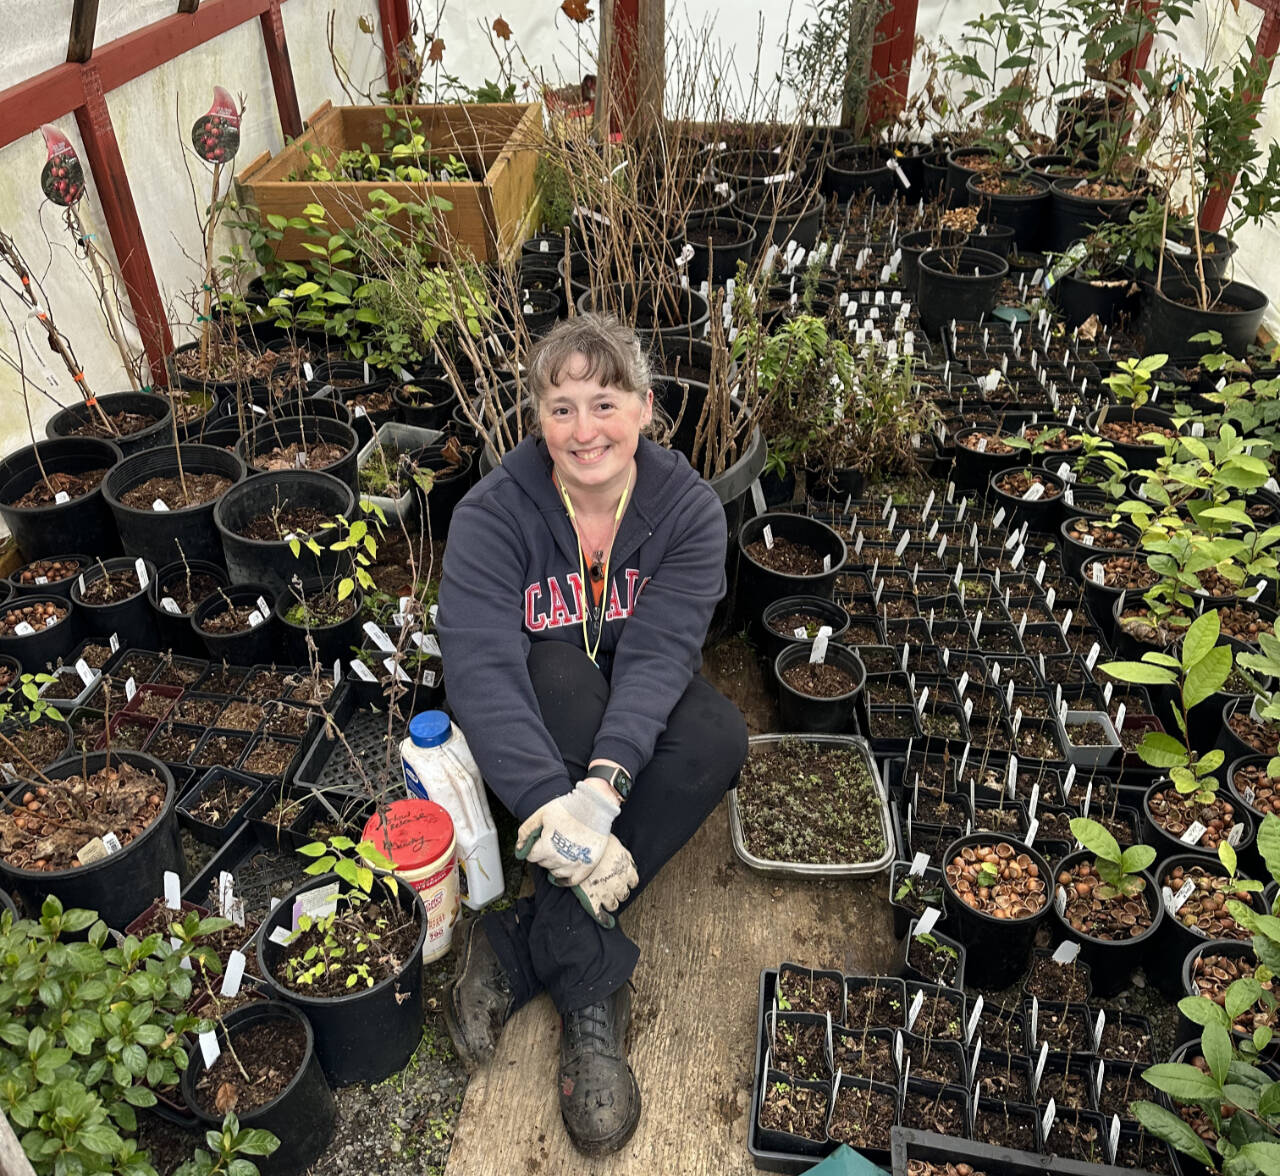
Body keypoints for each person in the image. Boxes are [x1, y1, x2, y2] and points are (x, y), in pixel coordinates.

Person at [436, 312, 748, 1156]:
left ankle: (530, 943)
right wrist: (549, 813)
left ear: (646, 409)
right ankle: (592, 989)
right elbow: (479, 669)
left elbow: (658, 656)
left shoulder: (685, 511)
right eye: (562, 407)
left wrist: (604, 792)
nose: (585, 430)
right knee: (558, 672)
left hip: (618, 717)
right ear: (537, 418)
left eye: (604, 403)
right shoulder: (493, 515)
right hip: (545, 711)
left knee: (717, 738)